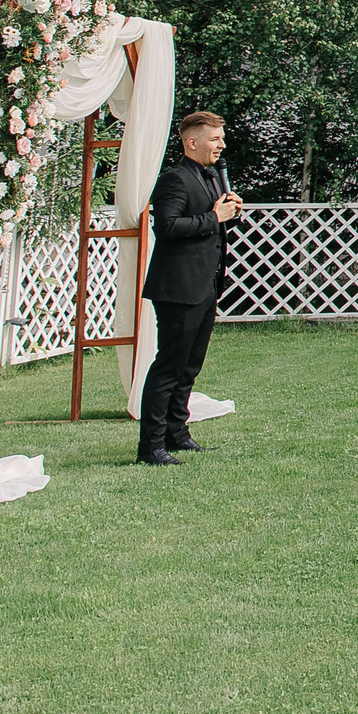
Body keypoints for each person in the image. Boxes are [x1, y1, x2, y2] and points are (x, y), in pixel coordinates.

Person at [138, 110, 242, 466]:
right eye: (215, 139)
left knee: (189, 367)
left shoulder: (211, 177)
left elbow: (208, 221)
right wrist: (214, 218)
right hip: (178, 288)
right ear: (191, 142)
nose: (222, 144)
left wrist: (226, 210)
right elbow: (166, 227)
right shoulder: (175, 180)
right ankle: (151, 447)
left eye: (221, 138)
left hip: (205, 284)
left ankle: (177, 433)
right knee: (168, 366)